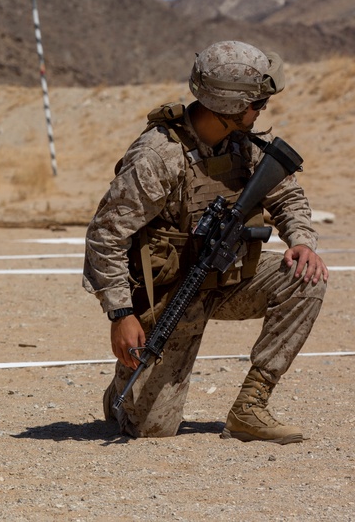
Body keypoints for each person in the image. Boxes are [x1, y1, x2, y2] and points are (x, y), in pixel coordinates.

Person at [83, 40, 328, 444]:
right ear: (231, 105)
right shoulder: (157, 156)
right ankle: (122, 394)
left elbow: (287, 196)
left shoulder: (243, 144)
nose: (261, 110)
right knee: (153, 430)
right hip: (171, 293)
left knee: (306, 278)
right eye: (257, 103)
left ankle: (251, 406)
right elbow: (106, 236)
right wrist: (121, 314)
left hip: (231, 278)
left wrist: (301, 240)